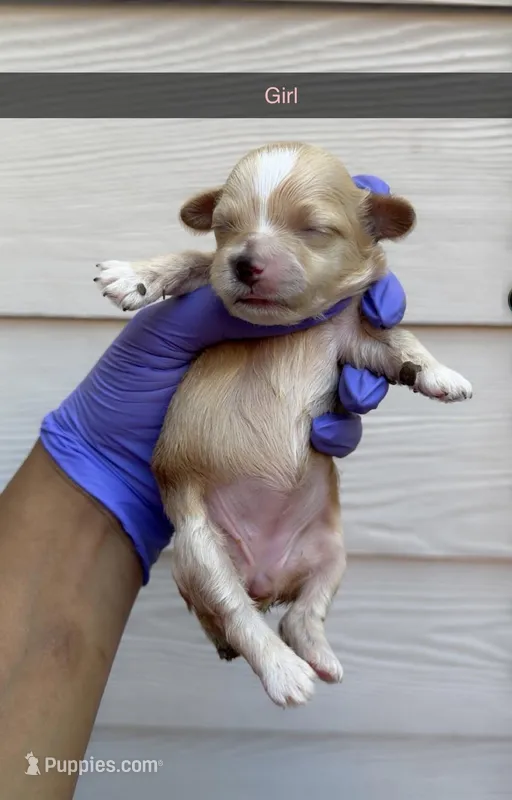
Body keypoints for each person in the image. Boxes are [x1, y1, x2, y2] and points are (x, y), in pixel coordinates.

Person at [0, 175, 406, 799]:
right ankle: (255, 639)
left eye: (313, 226)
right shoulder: (212, 274)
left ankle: (304, 622)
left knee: (328, 544)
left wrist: (411, 362)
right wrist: (100, 459)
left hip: (280, 502)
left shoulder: (346, 301)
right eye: (230, 227)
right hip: (204, 495)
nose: (251, 252)